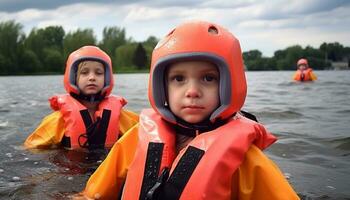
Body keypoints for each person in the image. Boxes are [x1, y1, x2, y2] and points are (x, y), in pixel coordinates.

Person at [79, 21, 299, 199]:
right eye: (179, 79)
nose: (192, 91)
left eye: (208, 78)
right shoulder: (135, 140)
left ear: (230, 84)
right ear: (162, 87)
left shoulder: (246, 160)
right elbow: (91, 195)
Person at [24, 46, 138, 150]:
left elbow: (145, 135)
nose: (92, 77)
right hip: (72, 170)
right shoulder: (58, 120)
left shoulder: (122, 118)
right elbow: (32, 149)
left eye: (98, 73)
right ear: (73, 78)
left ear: (107, 78)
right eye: (84, 73)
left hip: (107, 169)